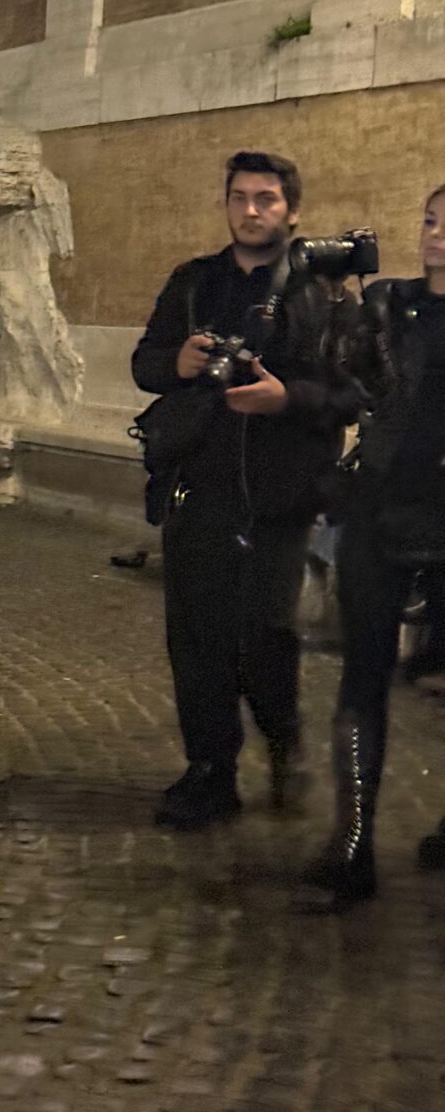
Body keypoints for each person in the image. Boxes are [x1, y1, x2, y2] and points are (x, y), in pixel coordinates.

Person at [132, 152, 359, 832]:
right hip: (199, 484)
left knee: (264, 631)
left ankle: (284, 740)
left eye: (266, 198)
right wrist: (176, 361)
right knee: (196, 636)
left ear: (291, 210)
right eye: (239, 197)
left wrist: (286, 397)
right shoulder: (195, 283)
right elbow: (145, 361)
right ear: (226, 204)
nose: (251, 209)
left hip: (281, 493)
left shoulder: (325, 295)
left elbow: (351, 395)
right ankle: (210, 770)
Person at [300, 184, 445, 910]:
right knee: (363, 677)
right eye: (429, 219)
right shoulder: (389, 302)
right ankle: (352, 842)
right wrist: (334, 300)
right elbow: (350, 378)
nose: (436, 234)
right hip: (382, 512)